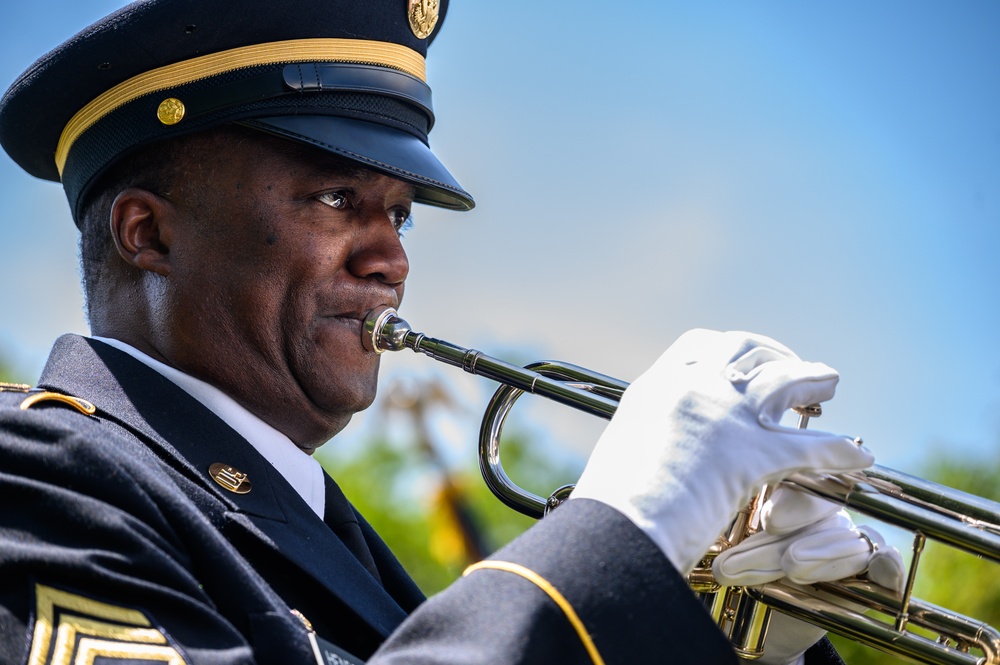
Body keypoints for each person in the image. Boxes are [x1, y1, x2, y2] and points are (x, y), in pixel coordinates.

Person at [0, 1, 901, 664]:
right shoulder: (32, 473)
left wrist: (725, 641)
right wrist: (621, 534)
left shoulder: (325, 535)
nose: (390, 256)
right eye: (335, 198)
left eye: (401, 215)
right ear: (148, 234)